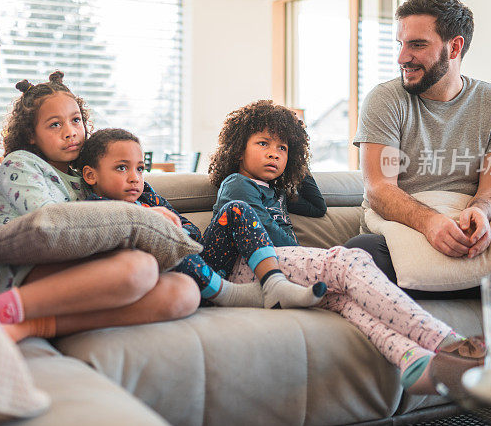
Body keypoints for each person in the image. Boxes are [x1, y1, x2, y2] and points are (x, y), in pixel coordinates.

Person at [210, 100, 485, 394]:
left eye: (282, 148)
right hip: (250, 269)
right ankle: (447, 341)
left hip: (278, 270)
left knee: (342, 301)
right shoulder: (237, 184)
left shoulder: (275, 189)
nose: (273, 153)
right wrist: (316, 256)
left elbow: (316, 206)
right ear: (239, 149)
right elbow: (271, 240)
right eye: (263, 143)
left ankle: (413, 361)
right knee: (347, 261)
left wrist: (295, 164)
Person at [345, 0, 491, 327]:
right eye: (400, 44)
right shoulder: (385, 100)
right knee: (359, 255)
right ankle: (414, 373)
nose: (401, 58)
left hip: (467, 235)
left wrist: (479, 212)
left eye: (417, 45)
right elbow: (379, 189)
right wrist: (431, 223)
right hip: (399, 236)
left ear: (454, 47)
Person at [0, 72, 199, 343]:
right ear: (31, 135)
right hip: (23, 273)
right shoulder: (21, 163)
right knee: (138, 269)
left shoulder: (87, 177)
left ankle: (37, 326)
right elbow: (52, 224)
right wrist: (138, 216)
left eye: (75, 120)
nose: (71, 131)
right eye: (54, 125)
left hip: (82, 269)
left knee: (185, 292)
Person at [77, 127, 326, 309]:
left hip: (205, 258)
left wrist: (180, 229)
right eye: (122, 168)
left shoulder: (146, 193)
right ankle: (227, 294)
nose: (134, 177)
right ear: (90, 175)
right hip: (181, 277)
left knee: (237, 208)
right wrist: (149, 220)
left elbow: (189, 229)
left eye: (140, 168)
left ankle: (274, 283)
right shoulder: (98, 210)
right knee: (164, 240)